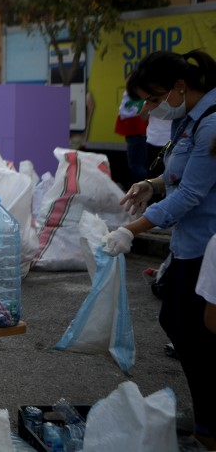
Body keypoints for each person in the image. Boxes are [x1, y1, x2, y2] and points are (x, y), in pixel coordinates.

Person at [103, 49, 216, 450]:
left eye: (153, 99)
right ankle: (206, 414)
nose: (149, 108)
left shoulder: (212, 123)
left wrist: (131, 230)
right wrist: (151, 185)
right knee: (178, 321)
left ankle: (209, 424)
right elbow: (174, 176)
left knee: (196, 329)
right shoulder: (188, 120)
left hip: (208, 249)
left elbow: (191, 193)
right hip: (190, 245)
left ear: (179, 88)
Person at [115, 90, 149, 184]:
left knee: (135, 165)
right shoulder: (144, 94)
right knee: (140, 164)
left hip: (134, 133)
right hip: (142, 133)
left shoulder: (132, 94)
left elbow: (124, 112)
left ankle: (150, 183)